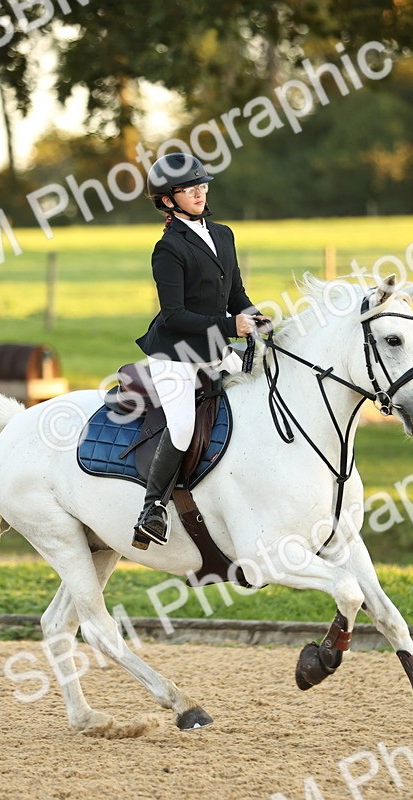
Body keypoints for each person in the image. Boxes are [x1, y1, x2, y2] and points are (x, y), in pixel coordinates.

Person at [132, 152, 267, 549]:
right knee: (182, 427)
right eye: (189, 189)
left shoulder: (223, 234)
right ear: (167, 200)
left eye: (202, 185)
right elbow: (174, 316)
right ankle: (152, 509)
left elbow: (236, 295)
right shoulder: (168, 248)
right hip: (174, 355)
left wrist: (257, 320)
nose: (199, 193)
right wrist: (230, 326)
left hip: (214, 348)